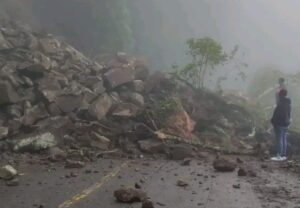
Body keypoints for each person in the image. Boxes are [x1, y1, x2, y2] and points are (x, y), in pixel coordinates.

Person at [271, 89, 291, 161]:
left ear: (280, 95)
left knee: (279, 139)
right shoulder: (288, 103)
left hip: (279, 123)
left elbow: (277, 114)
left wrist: (273, 121)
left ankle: (279, 155)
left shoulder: (281, 103)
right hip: (286, 123)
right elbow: (288, 114)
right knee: (283, 138)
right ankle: (283, 155)